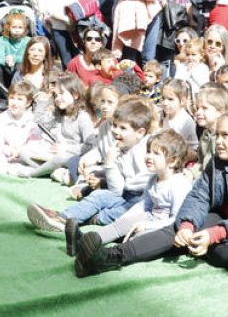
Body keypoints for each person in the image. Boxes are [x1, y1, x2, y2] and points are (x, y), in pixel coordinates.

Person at [73, 109, 228, 275]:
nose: (218, 141)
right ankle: (112, 256)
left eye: (225, 136)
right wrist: (188, 225)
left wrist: (215, 234)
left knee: (223, 254)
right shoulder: (218, 161)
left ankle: (196, 243)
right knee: (178, 228)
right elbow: (199, 195)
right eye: (217, 135)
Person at [72, 129, 193, 276]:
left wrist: (147, 225)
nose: (149, 156)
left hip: (165, 226)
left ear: (173, 161)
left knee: (140, 236)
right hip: (151, 216)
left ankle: (108, 252)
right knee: (122, 224)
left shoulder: (179, 184)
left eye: (156, 154)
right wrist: (126, 218)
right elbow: (145, 205)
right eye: (149, 151)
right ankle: (84, 243)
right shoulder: (153, 178)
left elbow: (176, 219)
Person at [28, 96, 154, 233]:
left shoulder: (148, 151)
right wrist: (110, 164)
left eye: (123, 128)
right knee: (99, 196)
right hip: (126, 196)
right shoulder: (121, 147)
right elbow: (116, 190)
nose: (116, 131)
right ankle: (63, 218)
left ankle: (90, 219)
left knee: (117, 213)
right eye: (115, 126)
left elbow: (144, 190)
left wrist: (109, 167)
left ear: (140, 132)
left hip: (144, 202)